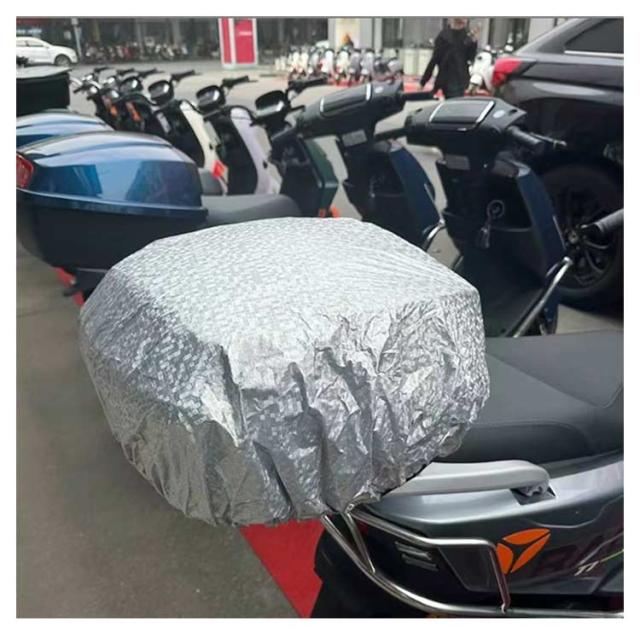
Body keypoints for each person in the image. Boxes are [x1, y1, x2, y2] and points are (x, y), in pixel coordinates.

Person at [420, 18, 478, 99]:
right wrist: (423, 81)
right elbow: (434, 59)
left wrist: (474, 42)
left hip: (461, 79)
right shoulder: (443, 36)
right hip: (447, 79)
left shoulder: (467, 35)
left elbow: (470, 58)